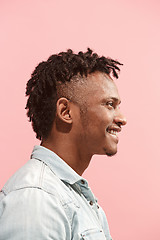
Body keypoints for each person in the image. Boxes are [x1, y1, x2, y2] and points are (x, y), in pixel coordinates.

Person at [0, 48, 127, 240]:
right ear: (65, 112)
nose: (122, 118)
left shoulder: (74, 197)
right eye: (109, 104)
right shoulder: (38, 198)